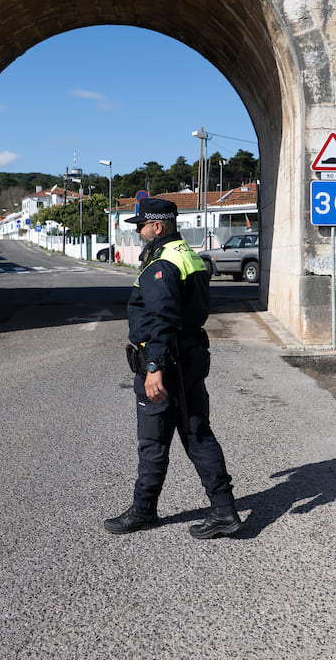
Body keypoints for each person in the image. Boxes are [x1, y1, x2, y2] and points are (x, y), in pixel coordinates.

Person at [103, 197, 242, 539]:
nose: (138, 231)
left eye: (142, 225)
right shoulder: (189, 256)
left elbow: (162, 319)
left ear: (158, 226)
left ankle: (144, 510)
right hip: (191, 357)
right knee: (196, 433)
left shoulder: (162, 264)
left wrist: (154, 367)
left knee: (153, 440)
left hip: (168, 362)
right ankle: (224, 510)